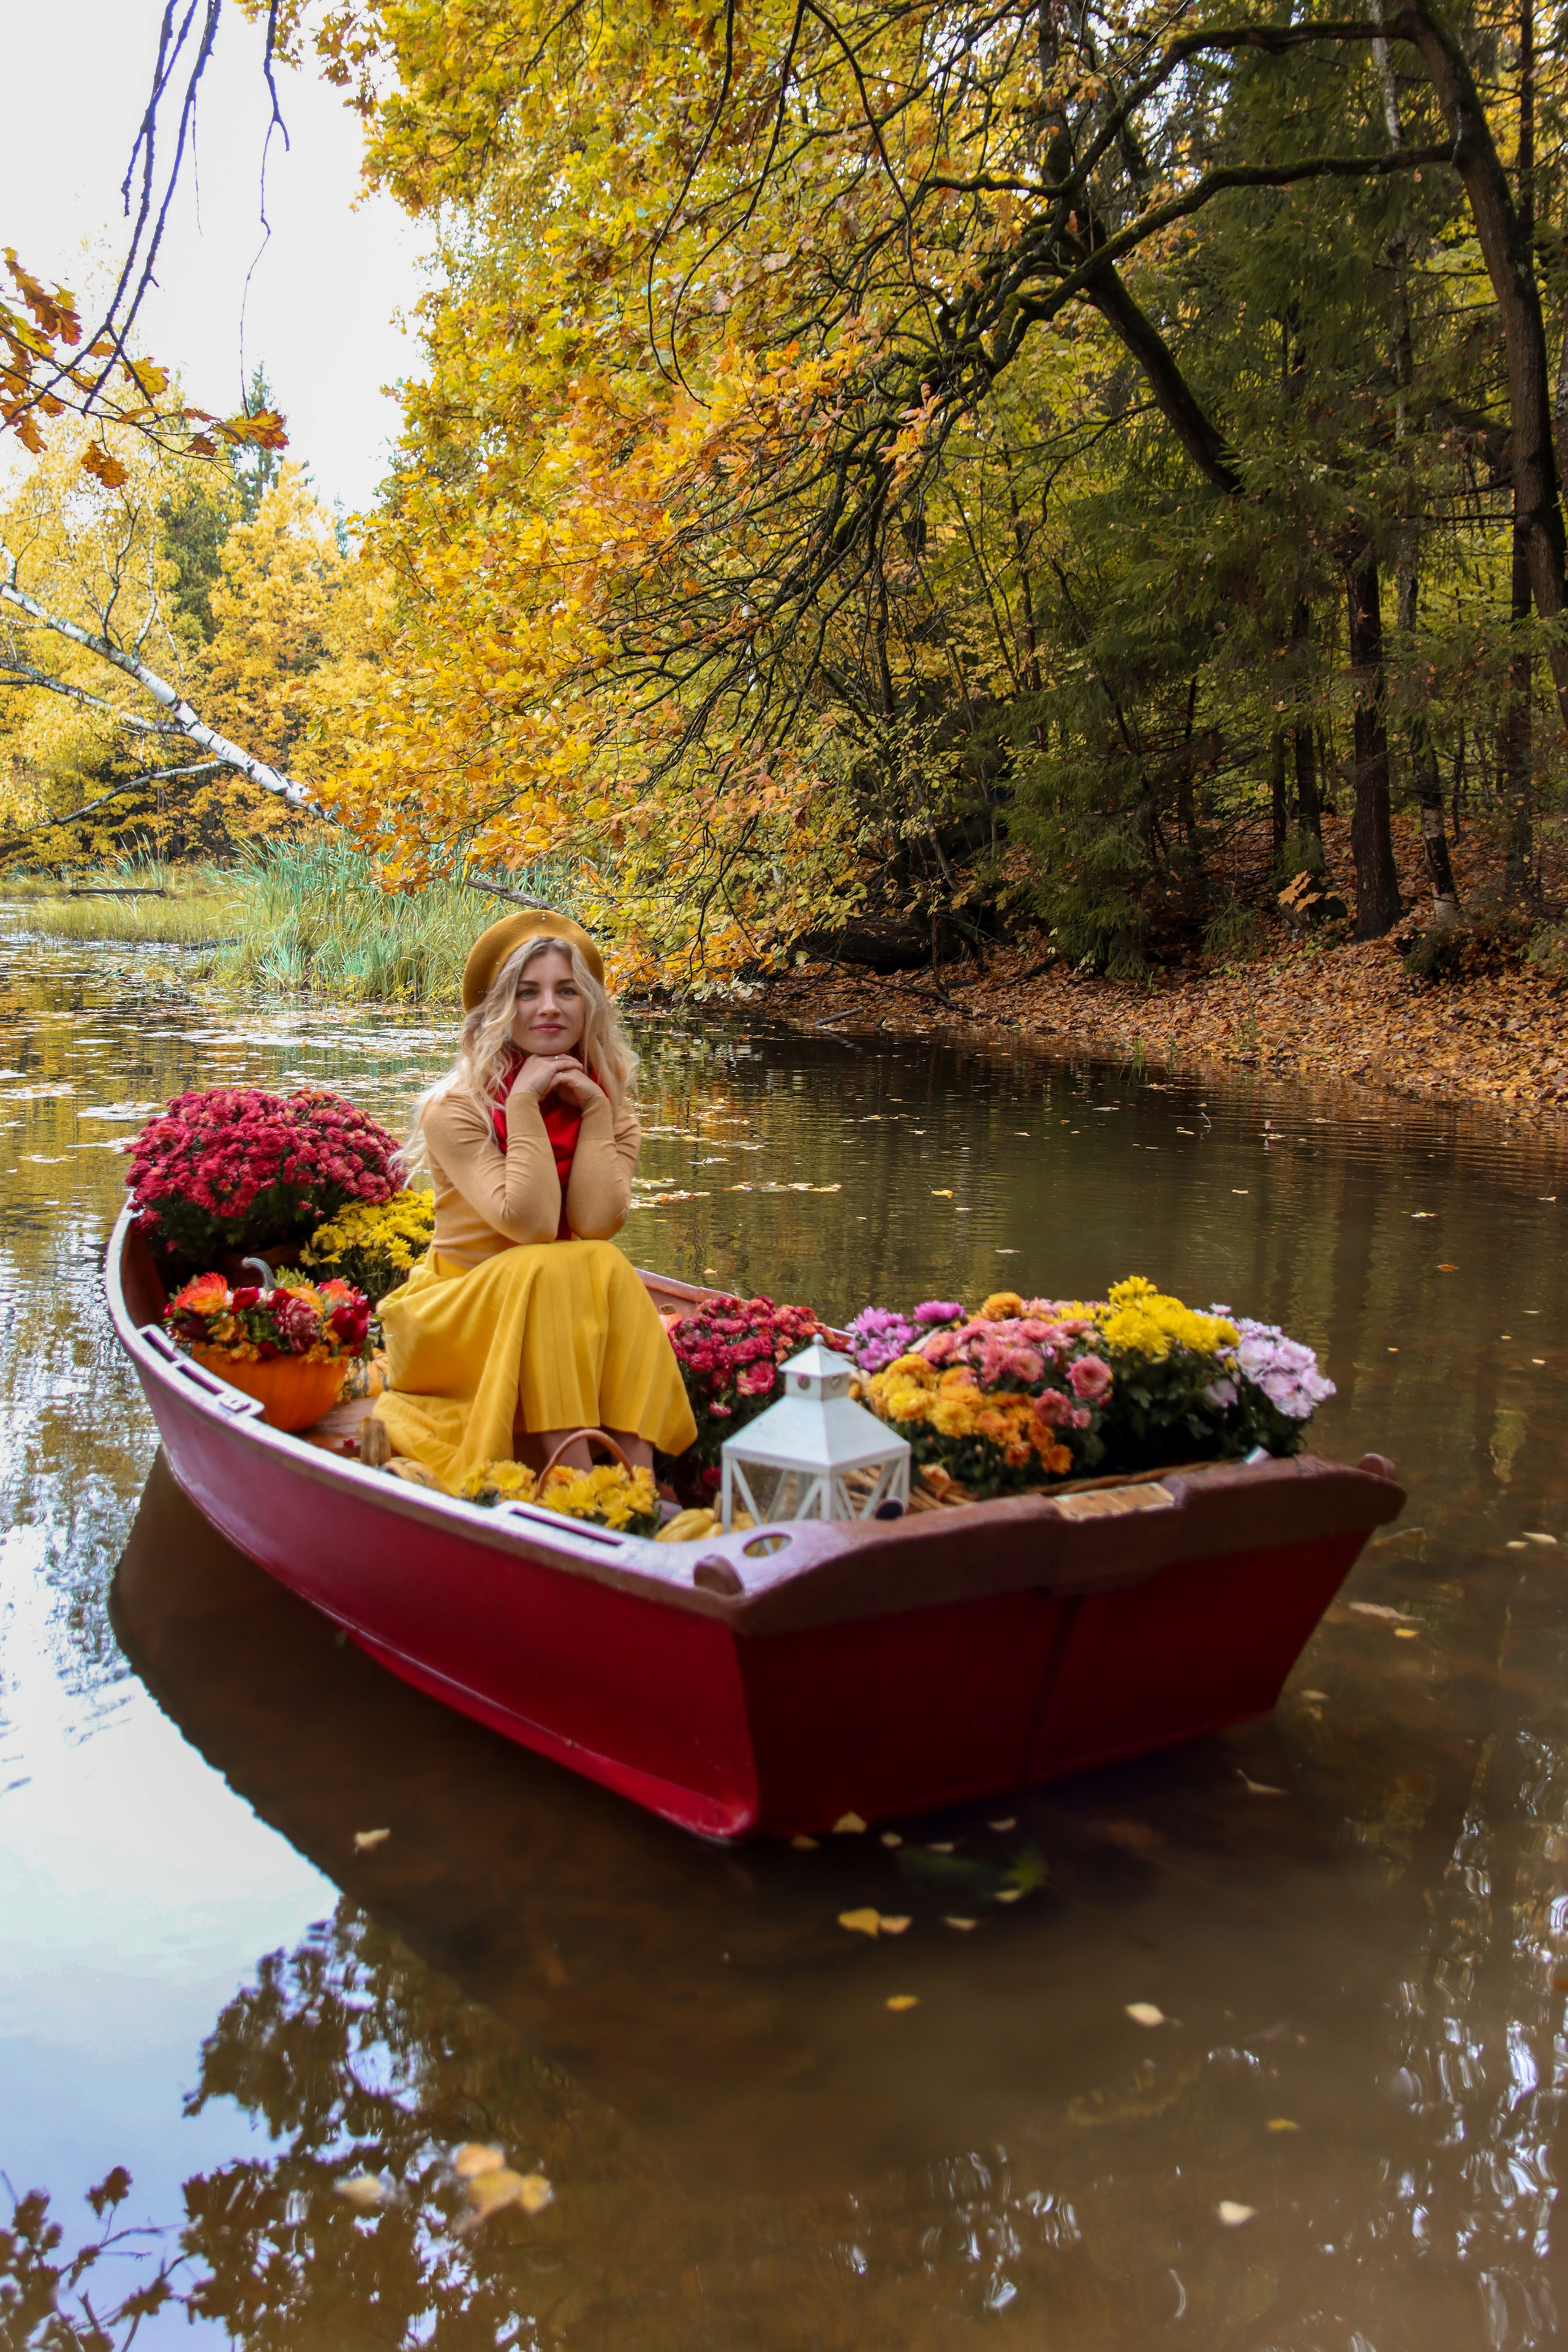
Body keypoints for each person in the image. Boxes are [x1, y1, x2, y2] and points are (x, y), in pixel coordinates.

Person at [365, 910, 696, 1491]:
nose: (549, 1007)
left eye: (566, 990)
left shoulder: (609, 1106)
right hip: (458, 1318)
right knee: (548, 1261)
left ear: (588, 1005)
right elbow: (532, 1224)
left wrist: (596, 1111)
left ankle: (635, 1477)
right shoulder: (456, 1108)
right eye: (528, 992)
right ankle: (576, 1477)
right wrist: (522, 1106)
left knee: (600, 1260)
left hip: (551, 1302)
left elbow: (595, 1225)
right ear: (499, 1008)